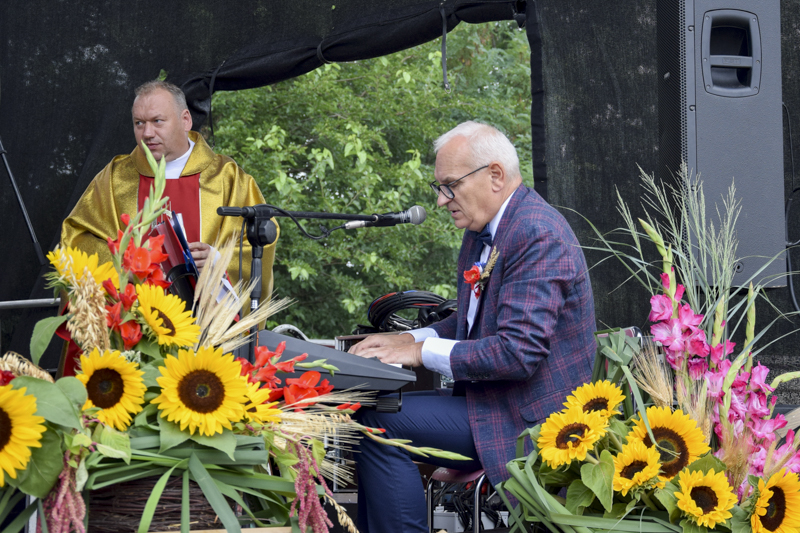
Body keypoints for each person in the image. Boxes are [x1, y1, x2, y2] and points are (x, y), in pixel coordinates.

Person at [349, 121, 596, 533]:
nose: (443, 200)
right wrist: (409, 337)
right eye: (439, 188)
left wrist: (417, 353)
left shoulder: (537, 233)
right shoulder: (485, 231)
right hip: (496, 404)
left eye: (451, 185)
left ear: (495, 175)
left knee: (378, 420)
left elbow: (517, 354)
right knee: (368, 410)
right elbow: (470, 325)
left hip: (532, 421)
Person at [59, 80, 278, 371]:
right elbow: (78, 238)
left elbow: (257, 241)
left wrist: (217, 261)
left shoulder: (227, 179)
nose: (147, 133)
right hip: (131, 333)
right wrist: (127, 269)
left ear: (185, 120)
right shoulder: (115, 178)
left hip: (205, 334)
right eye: (139, 123)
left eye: (157, 121)